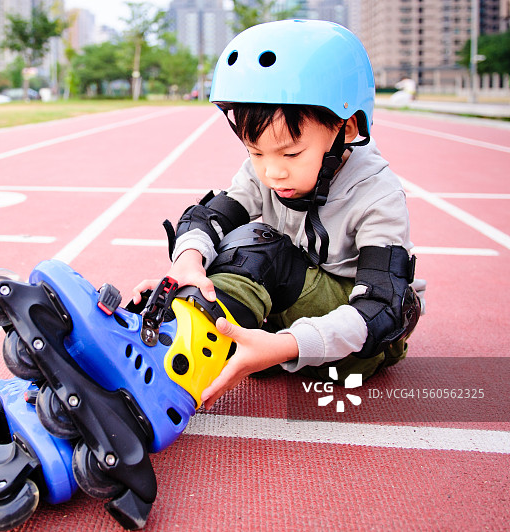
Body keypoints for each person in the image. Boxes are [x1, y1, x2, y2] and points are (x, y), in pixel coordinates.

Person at [133, 20, 426, 410]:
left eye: (290, 154)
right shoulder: (266, 173)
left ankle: (167, 369)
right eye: (256, 153)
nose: (273, 172)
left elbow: (382, 309)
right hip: (286, 320)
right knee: (221, 250)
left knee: (259, 250)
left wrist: (284, 345)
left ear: (348, 127)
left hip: (358, 345)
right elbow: (208, 218)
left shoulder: (377, 195)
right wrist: (188, 268)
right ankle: (157, 334)